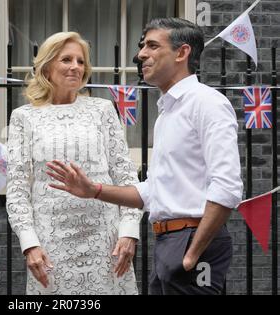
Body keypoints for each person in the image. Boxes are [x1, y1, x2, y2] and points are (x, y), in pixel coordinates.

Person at [47, 18, 243, 295]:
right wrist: (94, 190)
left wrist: (191, 253)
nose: (141, 55)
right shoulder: (168, 113)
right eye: (142, 47)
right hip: (167, 241)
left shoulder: (207, 103)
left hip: (191, 241)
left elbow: (227, 188)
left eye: (152, 45)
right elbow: (153, 191)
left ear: (182, 52)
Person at [6, 31, 143, 295]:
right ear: (46, 66)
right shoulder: (24, 117)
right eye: (66, 59)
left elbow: (125, 175)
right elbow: (18, 188)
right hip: (50, 241)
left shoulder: (102, 109)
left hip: (106, 239)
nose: (75, 67)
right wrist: (29, 243)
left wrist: (128, 232)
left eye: (81, 61)